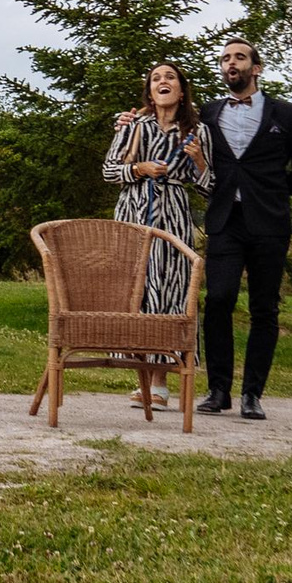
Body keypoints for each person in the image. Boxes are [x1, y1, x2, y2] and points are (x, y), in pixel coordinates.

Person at [195, 36, 292, 420]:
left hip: (269, 224)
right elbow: (168, 124)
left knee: (264, 308)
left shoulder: (287, 114)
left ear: (256, 68)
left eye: (239, 57)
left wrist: (272, 193)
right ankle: (218, 390)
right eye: (225, 58)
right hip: (225, 223)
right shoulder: (207, 113)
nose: (230, 63)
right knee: (218, 300)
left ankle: (252, 394)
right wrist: (129, 120)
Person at [106, 63, 213, 408]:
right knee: (138, 290)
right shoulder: (134, 125)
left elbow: (211, 189)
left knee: (170, 289)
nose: (163, 82)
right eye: (156, 79)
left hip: (174, 213)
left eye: (170, 78)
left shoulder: (197, 132)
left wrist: (199, 165)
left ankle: (161, 382)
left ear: (182, 90)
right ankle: (140, 373)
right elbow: (109, 171)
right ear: (149, 92)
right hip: (134, 212)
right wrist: (140, 168)